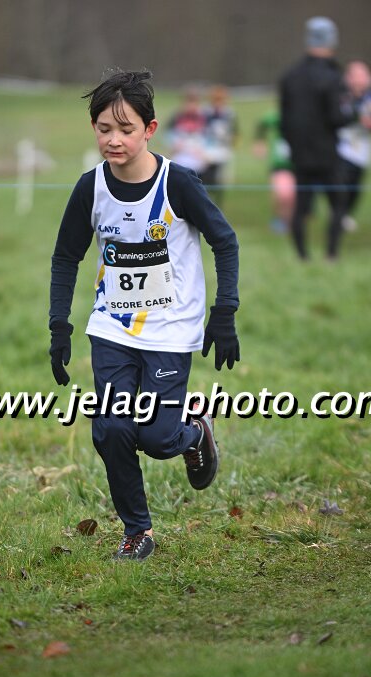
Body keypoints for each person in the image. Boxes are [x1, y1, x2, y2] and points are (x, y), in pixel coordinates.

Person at [49, 70, 240, 562]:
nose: (113, 139)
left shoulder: (178, 183)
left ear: (150, 129)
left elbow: (225, 241)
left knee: (156, 436)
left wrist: (225, 311)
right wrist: (59, 325)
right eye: (103, 129)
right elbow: (66, 256)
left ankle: (194, 431)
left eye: (125, 129)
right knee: (112, 429)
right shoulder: (91, 188)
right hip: (111, 328)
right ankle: (138, 532)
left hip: (171, 331)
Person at [279, 16, 357, 261]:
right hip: (327, 154)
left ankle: (302, 256)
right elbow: (337, 117)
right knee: (339, 203)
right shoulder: (334, 77)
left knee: (301, 206)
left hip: (300, 153)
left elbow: (284, 120)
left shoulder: (290, 75)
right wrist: (353, 113)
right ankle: (331, 254)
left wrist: (293, 144)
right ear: (331, 41)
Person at [337, 61, 371, 232]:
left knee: (355, 186)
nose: (360, 79)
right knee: (341, 183)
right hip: (341, 148)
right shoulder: (340, 96)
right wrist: (356, 118)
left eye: (363, 75)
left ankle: (345, 214)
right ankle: (338, 213)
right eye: (356, 75)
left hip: (362, 151)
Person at [253, 108, 296, 233]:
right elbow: (262, 124)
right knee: (280, 194)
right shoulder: (279, 118)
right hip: (279, 164)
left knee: (292, 196)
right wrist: (259, 142)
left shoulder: (303, 117)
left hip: (296, 164)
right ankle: (280, 219)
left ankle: (290, 221)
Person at [200, 85, 238, 207]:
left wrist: (230, 141)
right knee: (206, 177)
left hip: (223, 149)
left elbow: (234, 132)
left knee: (220, 179)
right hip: (207, 150)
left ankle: (218, 205)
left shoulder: (229, 113)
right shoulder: (205, 112)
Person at [165, 86, 209, 178]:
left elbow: (208, 136)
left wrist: (203, 151)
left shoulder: (203, 117)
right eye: (189, 101)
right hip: (180, 157)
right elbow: (168, 134)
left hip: (197, 158)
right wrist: (174, 145)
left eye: (194, 102)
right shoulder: (177, 117)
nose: (191, 105)